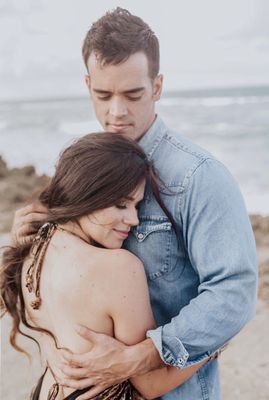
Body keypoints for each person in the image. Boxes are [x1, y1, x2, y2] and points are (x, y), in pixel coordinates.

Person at [11, 7, 257, 400]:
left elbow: (235, 288)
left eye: (133, 94)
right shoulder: (84, 167)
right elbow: (57, 291)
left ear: (157, 87)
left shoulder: (198, 177)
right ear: (87, 84)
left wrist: (142, 356)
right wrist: (52, 343)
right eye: (103, 94)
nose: (116, 112)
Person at [1, 132, 211, 400]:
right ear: (88, 193)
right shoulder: (119, 268)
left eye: (136, 206)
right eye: (121, 204)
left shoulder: (35, 245)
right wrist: (210, 346)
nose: (133, 219)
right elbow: (149, 384)